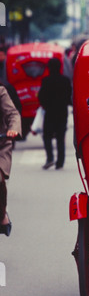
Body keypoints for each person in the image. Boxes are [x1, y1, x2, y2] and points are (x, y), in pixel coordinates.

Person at [38, 58, 72, 170]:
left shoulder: (46, 80)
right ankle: (60, 162)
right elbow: (69, 96)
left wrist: (46, 105)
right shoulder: (66, 80)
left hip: (50, 112)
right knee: (60, 137)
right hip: (62, 112)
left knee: (47, 136)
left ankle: (50, 158)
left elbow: (41, 96)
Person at [0, 83, 22, 236]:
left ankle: (2, 214)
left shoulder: (0, 91)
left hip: (1, 145)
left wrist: (13, 128)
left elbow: (13, 114)